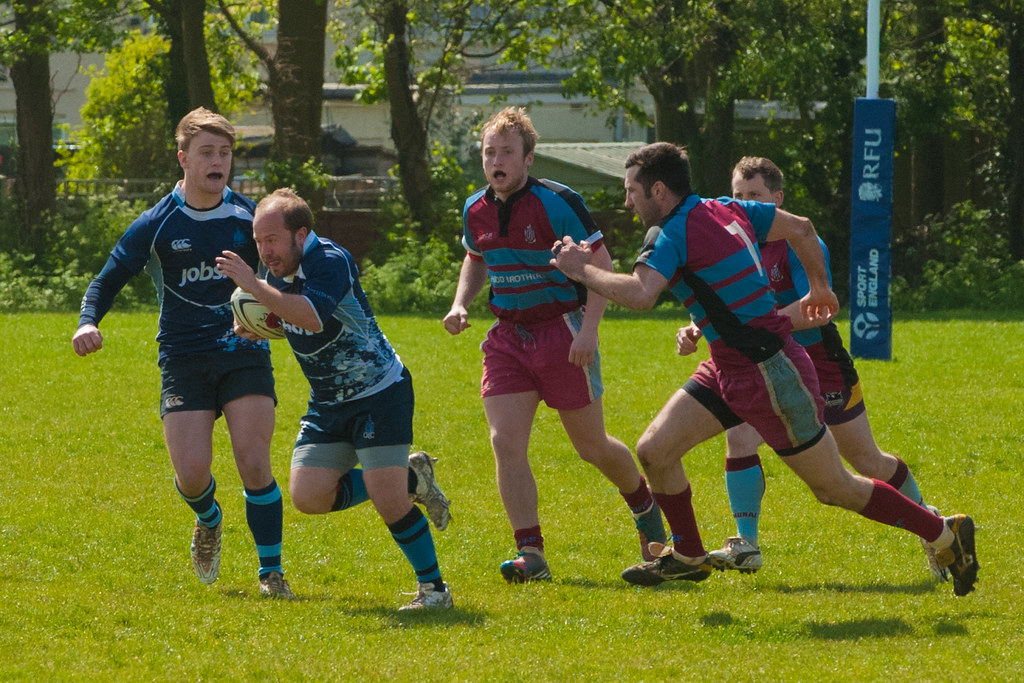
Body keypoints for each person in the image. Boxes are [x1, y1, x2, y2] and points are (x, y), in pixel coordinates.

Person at [550, 142, 979, 597]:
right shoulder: (724, 208)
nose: (626, 201)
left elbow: (640, 294)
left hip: (768, 372)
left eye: (631, 190)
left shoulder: (671, 234)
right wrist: (819, 287)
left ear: (657, 190)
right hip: (728, 365)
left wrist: (581, 270)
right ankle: (689, 555)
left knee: (834, 486)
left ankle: (944, 532)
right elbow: (802, 227)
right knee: (656, 449)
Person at [672, 156, 944, 580]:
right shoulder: (727, 238)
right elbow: (724, 305)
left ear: (776, 199)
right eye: (736, 196)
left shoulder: (801, 243)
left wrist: (761, 327)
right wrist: (695, 328)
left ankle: (932, 526)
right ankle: (747, 544)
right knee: (740, 436)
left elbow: (816, 310)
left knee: (865, 460)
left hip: (817, 359)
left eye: (753, 196)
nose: (742, 204)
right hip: (758, 361)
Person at [72, 107, 294, 598]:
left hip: (243, 352)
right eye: (207, 153)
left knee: (254, 461)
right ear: (183, 159)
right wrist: (88, 321)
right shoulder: (156, 222)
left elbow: (287, 272)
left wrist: (273, 314)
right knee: (192, 475)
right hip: (183, 356)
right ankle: (209, 519)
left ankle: (270, 573)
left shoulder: (251, 218)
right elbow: (107, 279)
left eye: (225, 153)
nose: (218, 161)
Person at [442, 106, 665, 584]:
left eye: (506, 152)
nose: (496, 160)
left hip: (563, 332)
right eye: (489, 152)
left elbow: (601, 263)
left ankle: (645, 509)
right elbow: (475, 257)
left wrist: (588, 331)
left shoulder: (558, 201)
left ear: (527, 159)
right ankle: (532, 554)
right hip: (507, 339)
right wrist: (462, 303)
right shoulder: (474, 208)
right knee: (505, 442)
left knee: (592, 448)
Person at [216, 188, 454, 610]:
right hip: (328, 401)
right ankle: (412, 477)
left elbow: (310, 314)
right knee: (308, 496)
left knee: (388, 499)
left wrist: (252, 286)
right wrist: (255, 324)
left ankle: (435, 591)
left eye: (272, 240)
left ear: (300, 234)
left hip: (380, 392)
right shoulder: (274, 273)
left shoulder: (328, 260)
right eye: (258, 241)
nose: (265, 251)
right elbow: (283, 315)